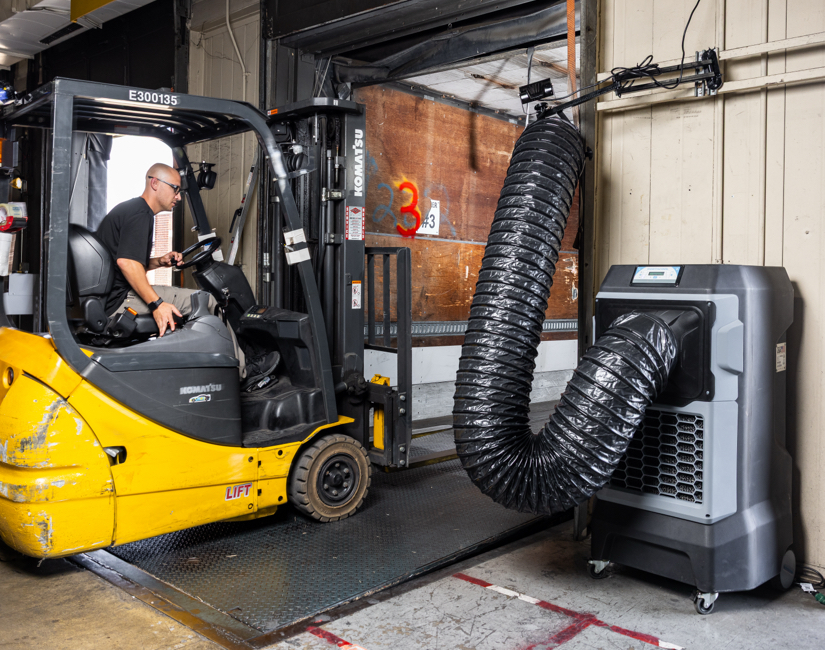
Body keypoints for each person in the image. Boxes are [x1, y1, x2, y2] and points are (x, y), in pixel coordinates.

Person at [96, 163, 278, 387]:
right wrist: (157, 304)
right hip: (119, 301)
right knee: (208, 300)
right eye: (175, 189)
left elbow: (124, 261)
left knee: (195, 303)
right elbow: (126, 263)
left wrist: (160, 261)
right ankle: (244, 374)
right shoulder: (140, 214)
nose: (178, 197)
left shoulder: (131, 210)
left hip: (111, 297)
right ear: (155, 183)